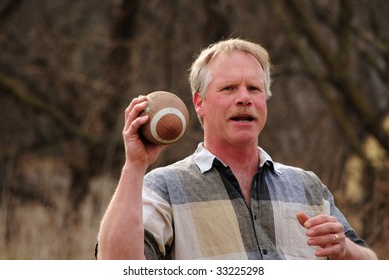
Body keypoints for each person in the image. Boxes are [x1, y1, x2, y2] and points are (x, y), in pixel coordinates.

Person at [96, 38, 377, 260]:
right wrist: (135, 164)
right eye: (229, 88)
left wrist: (345, 251)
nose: (244, 98)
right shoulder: (165, 188)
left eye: (254, 89)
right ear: (199, 103)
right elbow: (117, 266)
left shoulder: (307, 186)